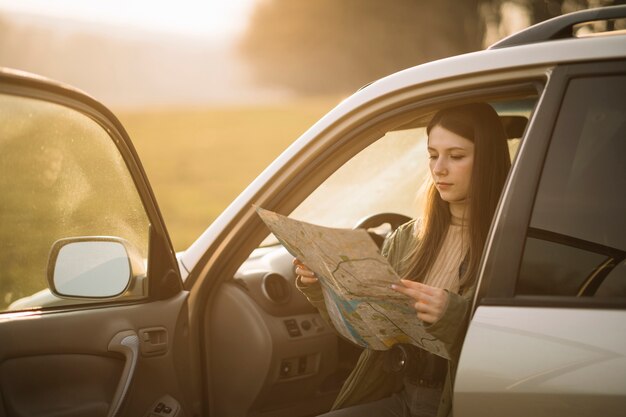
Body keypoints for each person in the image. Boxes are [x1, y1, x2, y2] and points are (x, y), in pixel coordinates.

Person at [293, 102, 511, 417]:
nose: (439, 169)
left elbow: (518, 345)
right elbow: (367, 327)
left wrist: (453, 316)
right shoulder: (408, 237)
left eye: (457, 156)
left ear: (488, 160)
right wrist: (320, 285)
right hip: (402, 394)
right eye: (433, 155)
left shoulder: (514, 244)